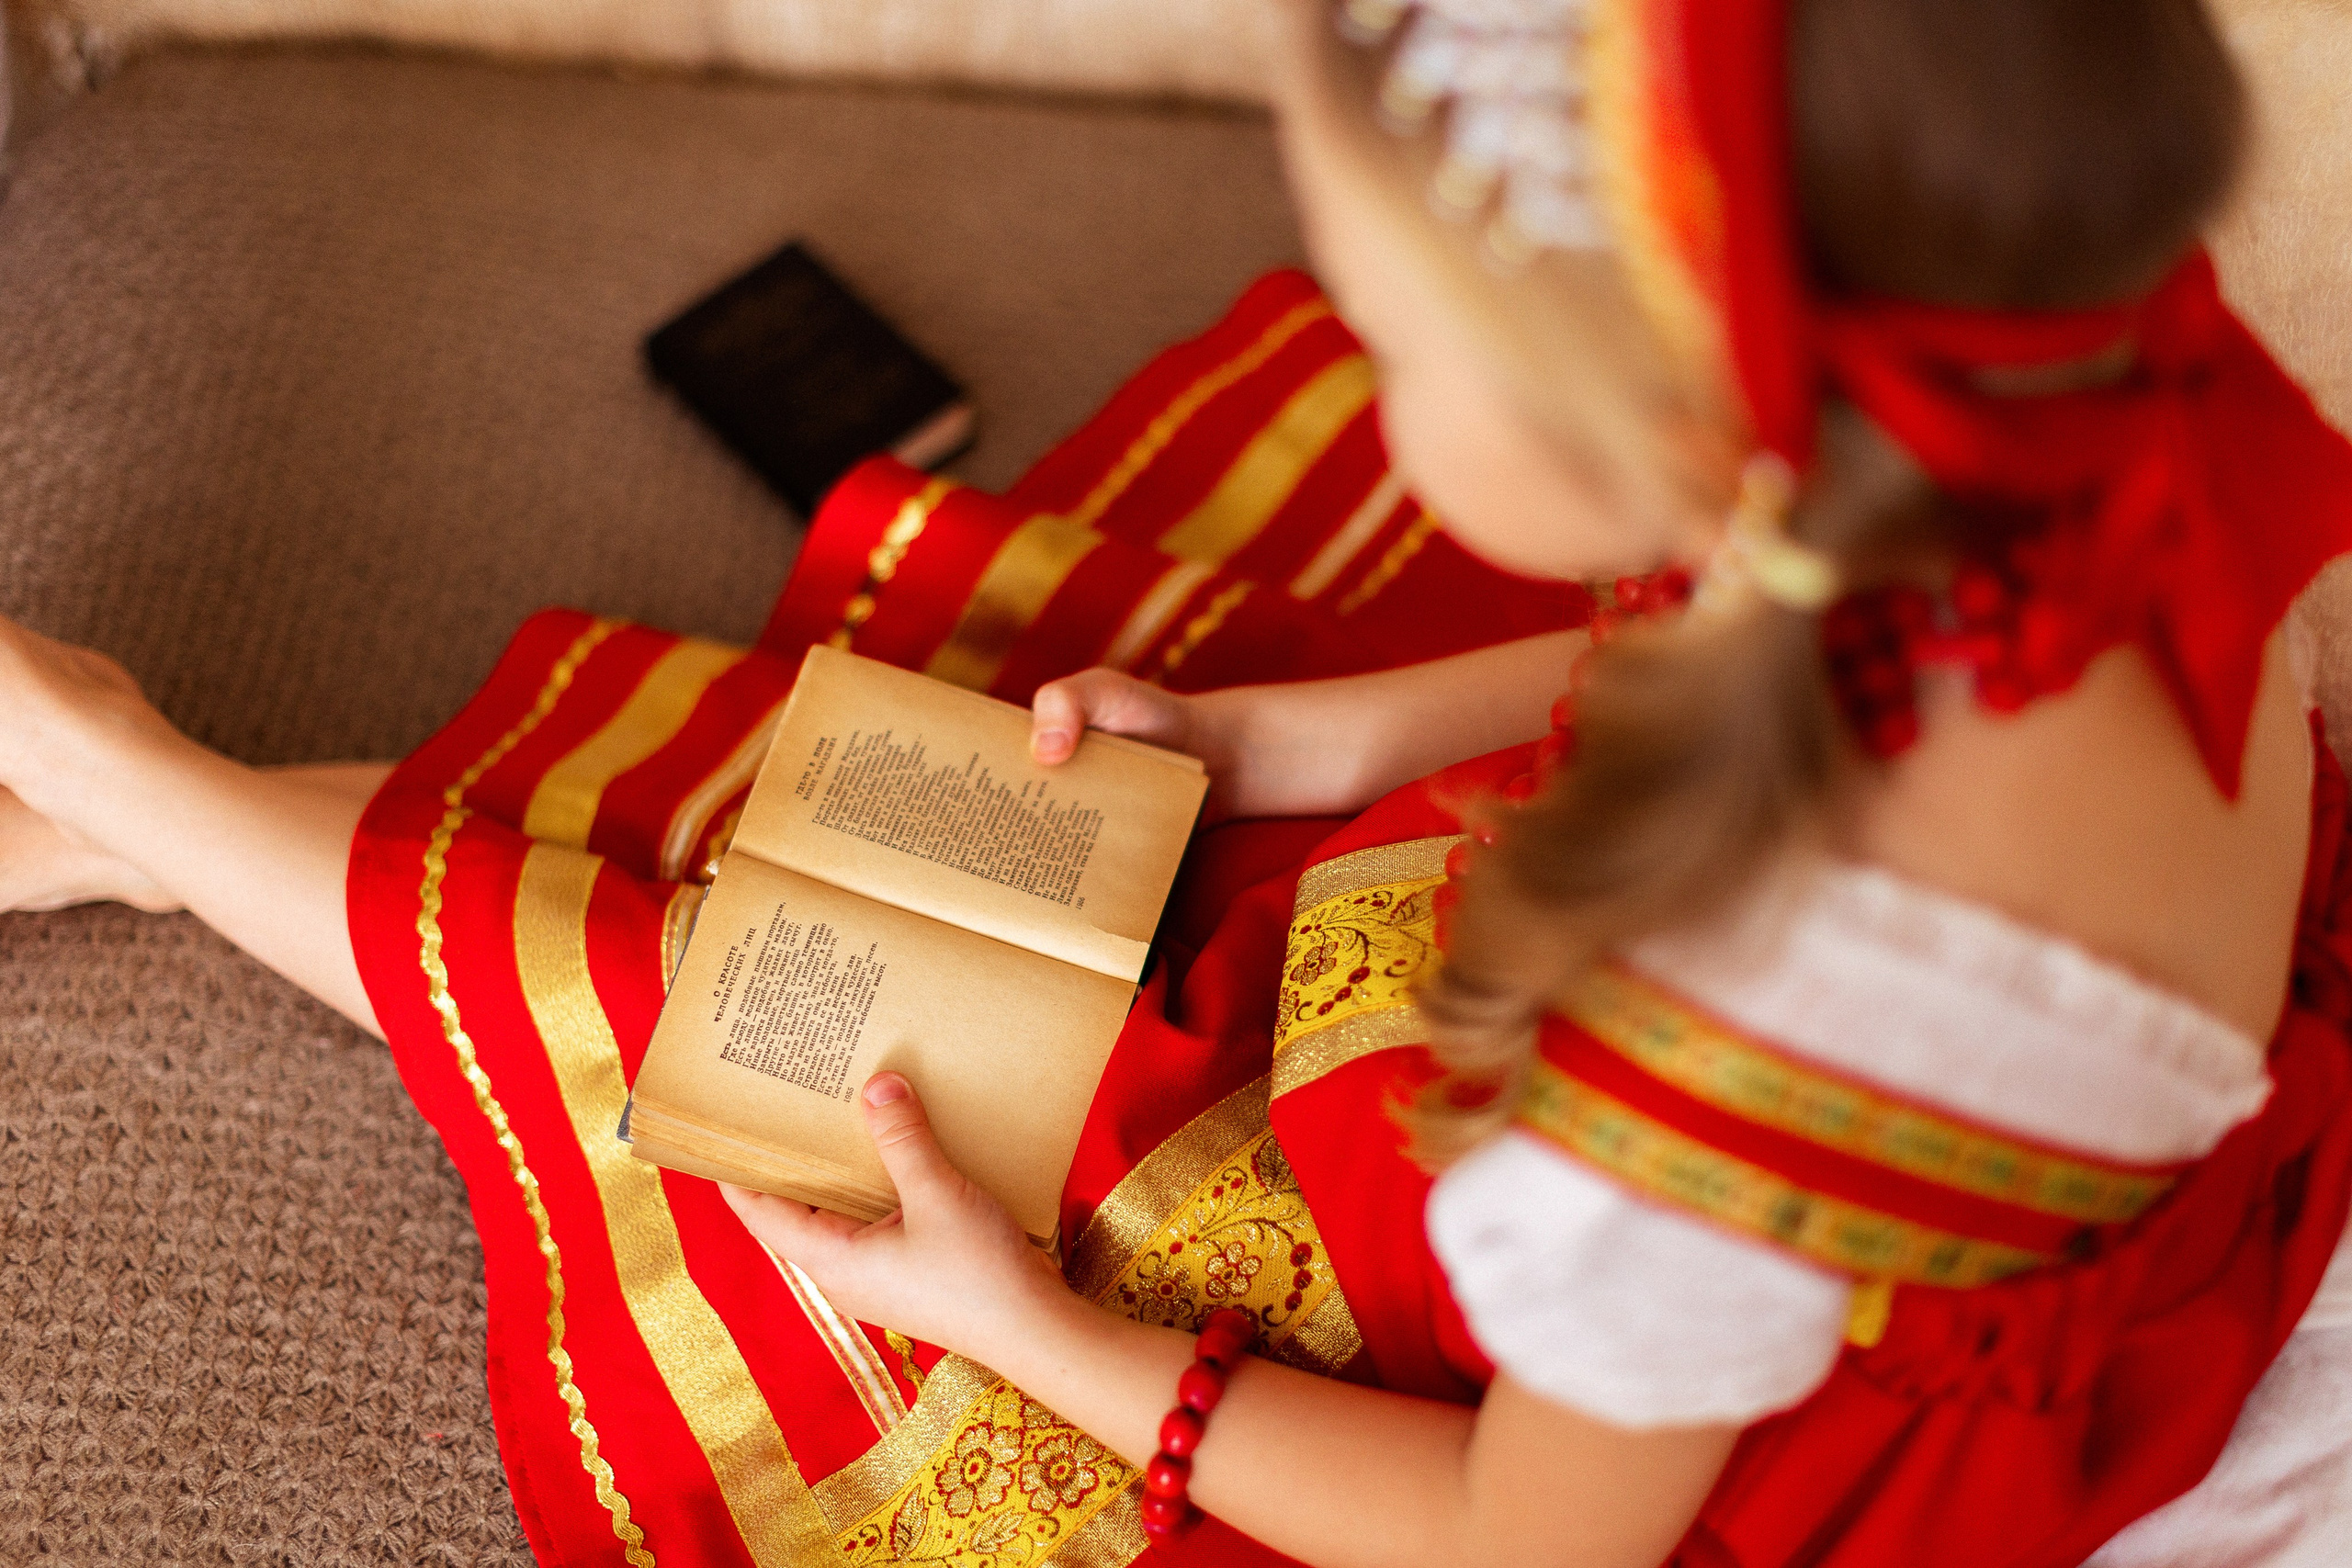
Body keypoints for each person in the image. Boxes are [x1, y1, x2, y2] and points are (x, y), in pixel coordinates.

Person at [6, 1, 2352, 1564]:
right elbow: (1742, 627)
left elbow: (1520, 1546)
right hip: (1915, 1126)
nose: (1371, 372)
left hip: (1698, 1426)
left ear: (1648, 416)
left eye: (1393, 339)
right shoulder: (2069, 403)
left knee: (742, 1057)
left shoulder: (1706, 1074)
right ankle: (124, 803)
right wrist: (1284, 739)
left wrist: (1030, 1331)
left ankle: (108, 761)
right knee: (935, 822)